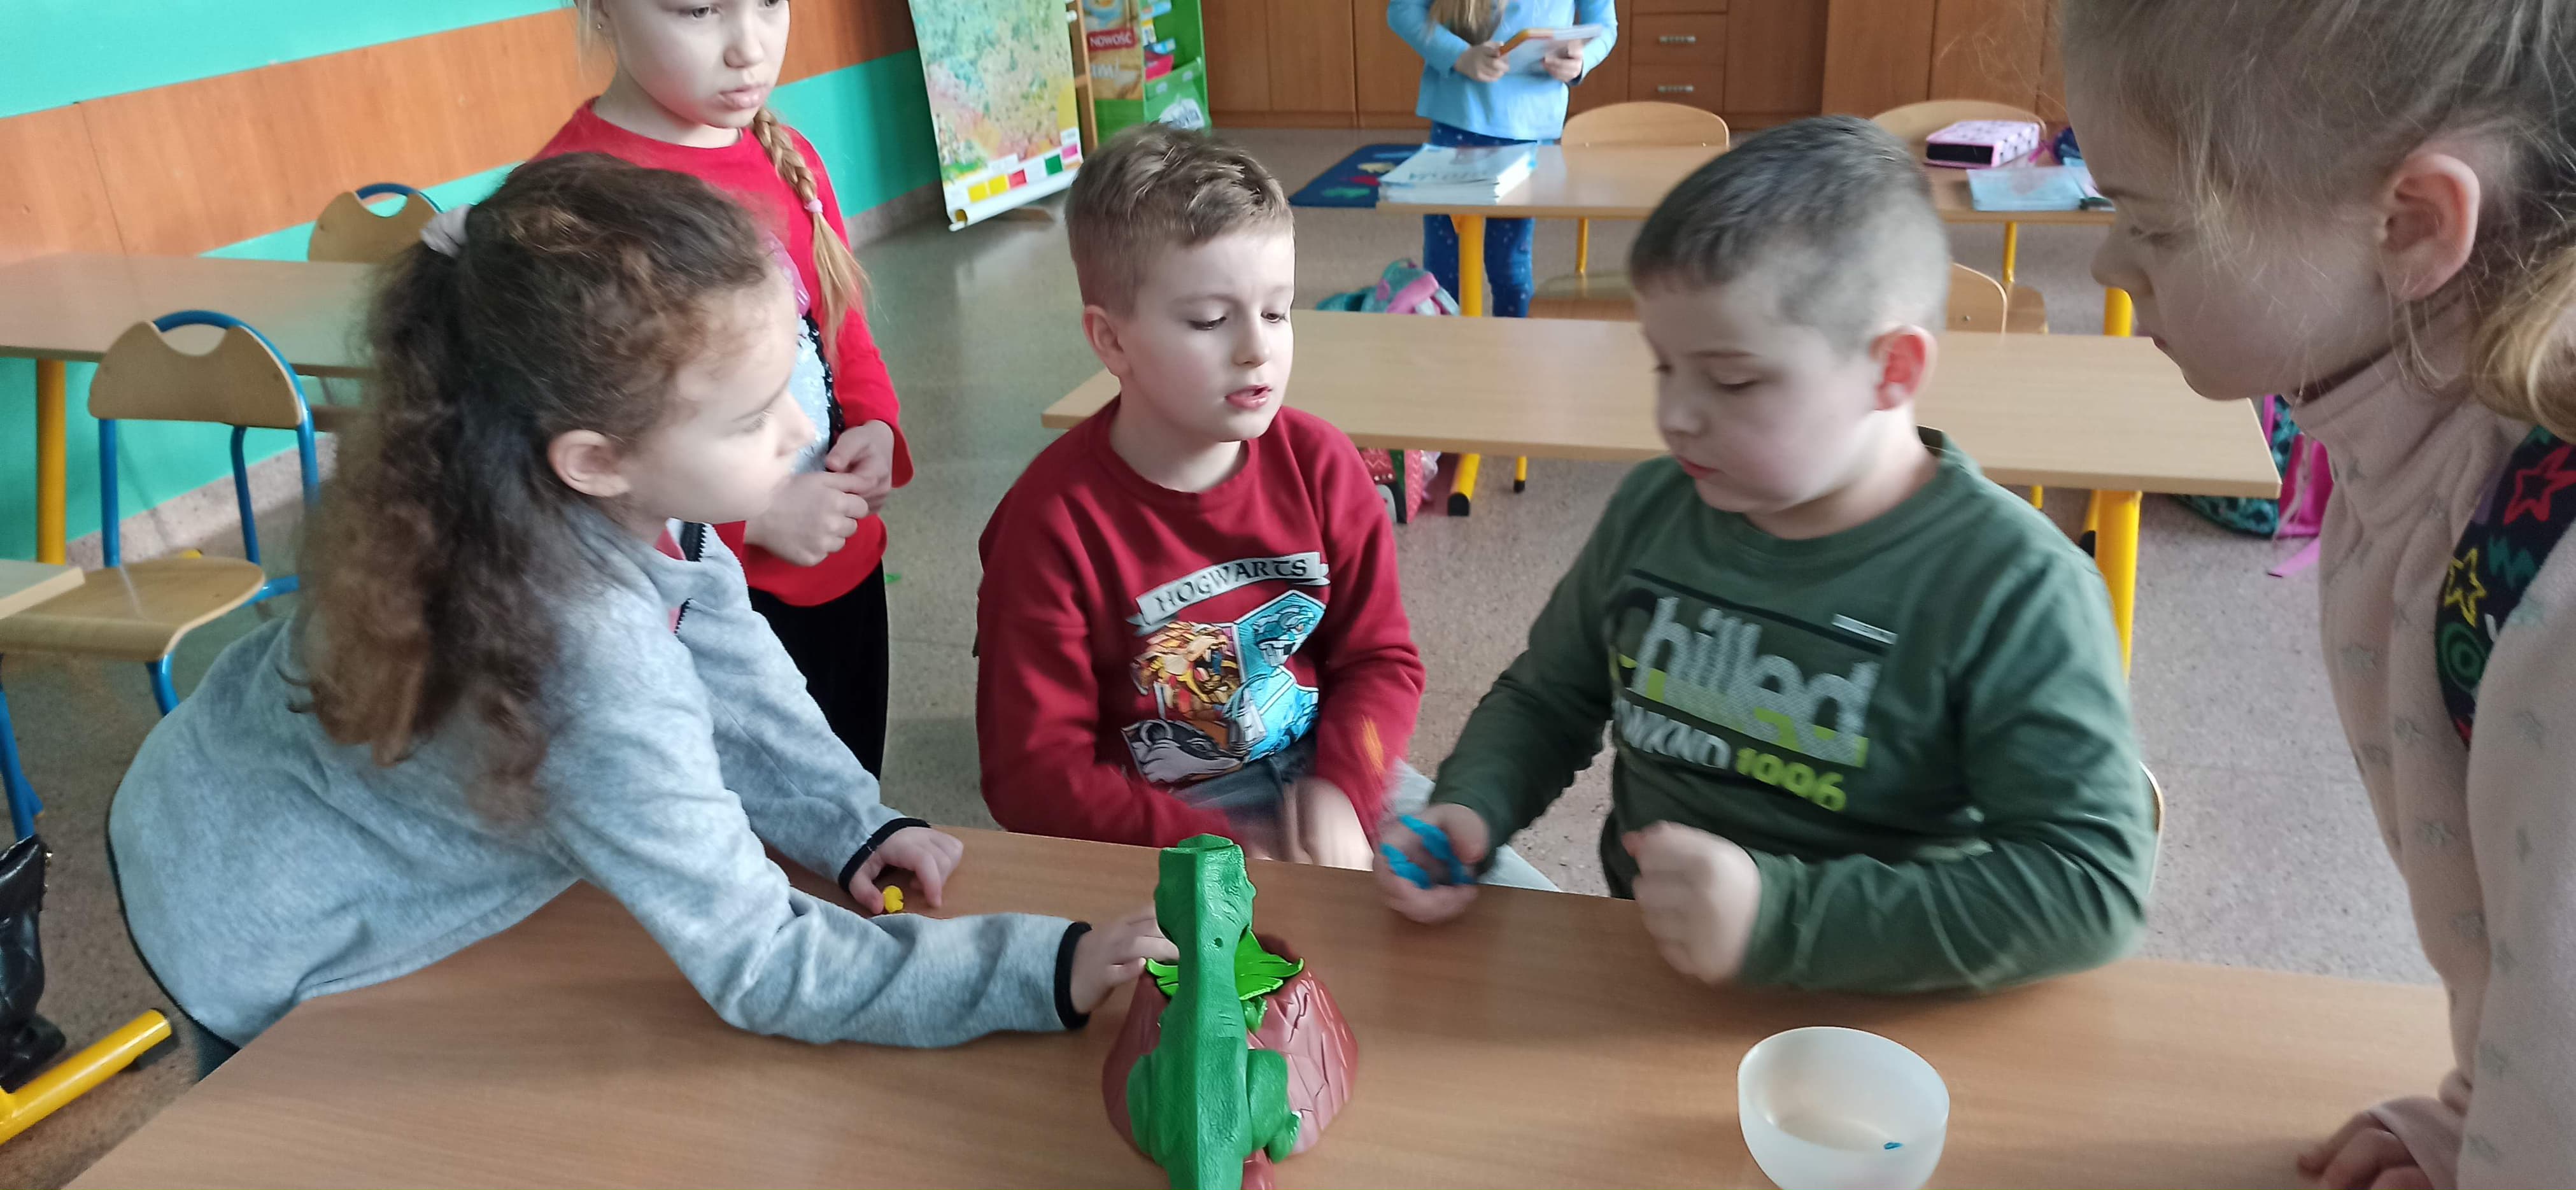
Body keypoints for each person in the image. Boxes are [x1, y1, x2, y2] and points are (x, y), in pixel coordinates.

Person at [107, 155, 1170, 1051]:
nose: (802, 432)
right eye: (753, 417)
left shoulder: (533, 476)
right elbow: (764, 961)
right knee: (281, 1123)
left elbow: (728, 650)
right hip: (255, 916)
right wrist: (1048, 965)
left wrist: (849, 819)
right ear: (595, 458)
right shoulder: (586, 659)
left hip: (232, 794)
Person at [1378, 117, 2155, 993]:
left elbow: (2089, 883)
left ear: (1892, 370)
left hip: (1879, 1017)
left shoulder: (2014, 587)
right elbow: (1548, 697)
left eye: (1732, 379)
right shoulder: (1654, 508)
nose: (1675, 416)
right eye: (1663, 367)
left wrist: (1776, 917)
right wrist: (1472, 805)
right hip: (1656, 975)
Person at [2063, 1, 2576, 1184]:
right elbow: (2532, 955)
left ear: (2413, 225)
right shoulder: (2415, 445)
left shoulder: (2553, 594)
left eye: (2153, 224)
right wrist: (2478, 1116)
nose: (2107, 266)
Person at [976, 125, 1550, 888]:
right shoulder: (1050, 524)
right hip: (1156, 823)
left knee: (1529, 917)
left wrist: (1346, 788)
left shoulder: (1323, 465)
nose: (1257, 349)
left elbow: (1378, 661)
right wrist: (1220, 849)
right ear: (1111, 341)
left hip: (1329, 774)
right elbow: (1033, 776)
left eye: (1276, 312)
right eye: (1210, 321)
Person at [535, 0, 907, 770]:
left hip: (842, 569)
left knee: (848, 792)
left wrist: (874, 422)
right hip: (697, 611)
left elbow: (840, 329)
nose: (749, 48)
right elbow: (571, 475)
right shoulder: (568, 209)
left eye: (769, 2)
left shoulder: (790, 156)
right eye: (698, 9)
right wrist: (752, 524)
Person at [1389, 0, 1617, 317]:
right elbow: (1403, 10)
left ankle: (1512, 346)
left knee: (1509, 266)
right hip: (1458, 120)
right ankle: (1443, 344)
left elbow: (1605, 25)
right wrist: (1459, 56)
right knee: (1443, 269)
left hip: (1527, 128)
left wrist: (1581, 61)